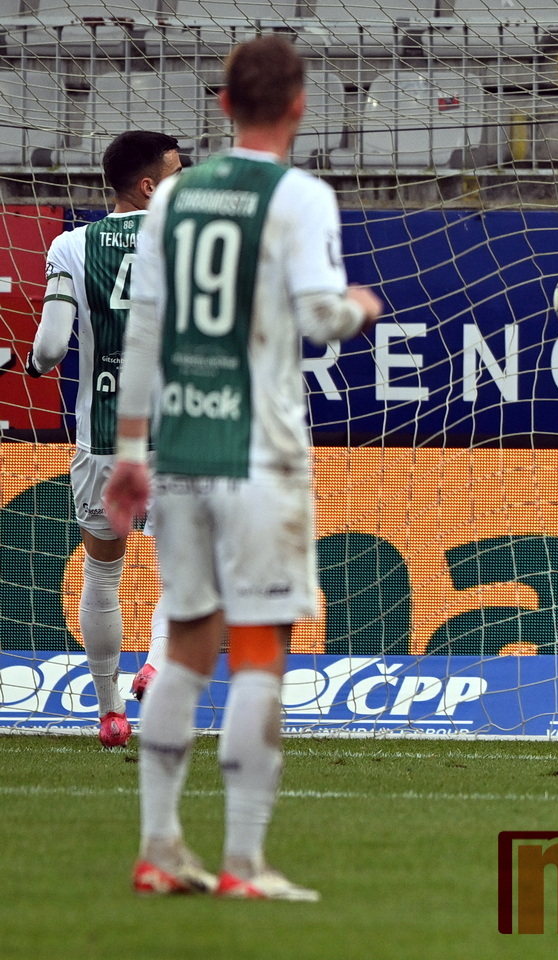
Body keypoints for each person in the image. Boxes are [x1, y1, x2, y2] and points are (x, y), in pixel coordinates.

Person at [104, 35, 382, 899]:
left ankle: (158, 849)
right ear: (300, 105)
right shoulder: (300, 196)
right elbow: (320, 318)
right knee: (259, 647)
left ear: (222, 104)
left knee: (187, 642)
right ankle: (245, 863)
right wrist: (357, 307)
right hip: (260, 453)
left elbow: (145, 329)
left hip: (180, 449)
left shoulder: (174, 198)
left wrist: (130, 451)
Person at [26, 131, 183, 748]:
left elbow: (50, 348)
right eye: (177, 174)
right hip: (176, 434)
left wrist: (33, 367)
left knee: (102, 573)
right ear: (148, 187)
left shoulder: (71, 245)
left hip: (102, 439)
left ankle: (111, 712)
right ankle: (158, 664)